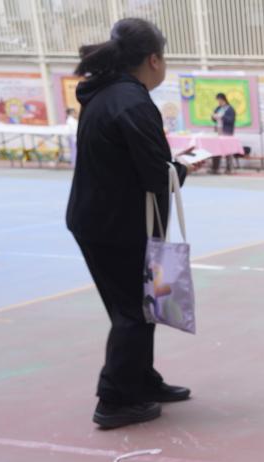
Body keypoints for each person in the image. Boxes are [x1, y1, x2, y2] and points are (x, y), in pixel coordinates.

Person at [65, 18, 191, 429]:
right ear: (154, 60)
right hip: (116, 226)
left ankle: (140, 380)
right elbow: (155, 174)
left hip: (103, 219)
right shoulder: (131, 102)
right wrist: (182, 169)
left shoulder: (107, 94)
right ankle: (115, 399)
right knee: (134, 311)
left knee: (139, 308)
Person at [210, 92, 236, 174]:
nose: (218, 102)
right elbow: (214, 118)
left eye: (219, 100)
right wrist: (213, 117)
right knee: (216, 150)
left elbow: (231, 120)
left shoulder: (230, 109)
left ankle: (229, 169)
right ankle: (215, 168)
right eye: (217, 100)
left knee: (228, 150)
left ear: (223, 99)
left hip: (227, 132)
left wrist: (222, 117)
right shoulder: (218, 108)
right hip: (218, 132)